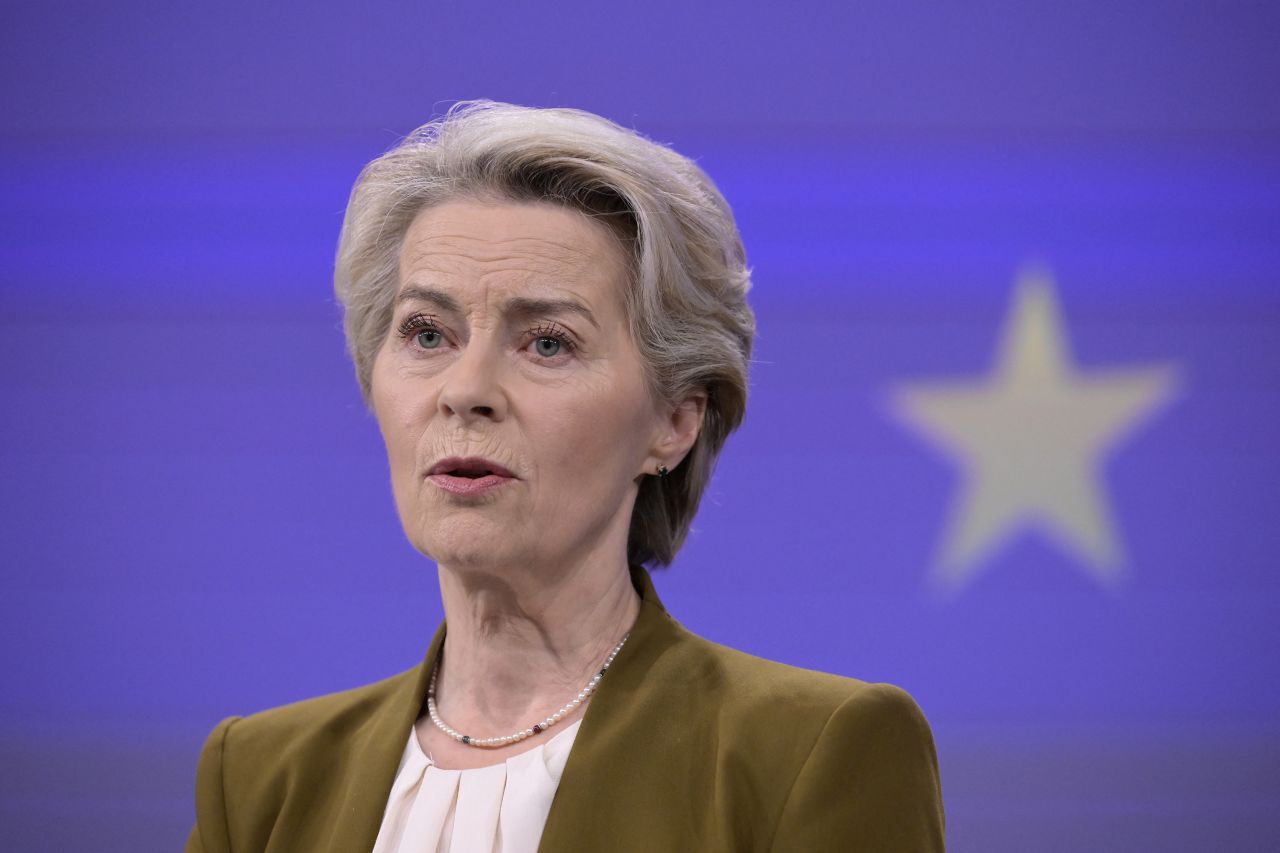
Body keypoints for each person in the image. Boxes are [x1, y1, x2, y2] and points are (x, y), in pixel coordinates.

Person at [185, 100, 945, 853]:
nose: (465, 388)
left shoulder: (807, 754)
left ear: (674, 421)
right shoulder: (259, 777)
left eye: (548, 344)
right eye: (427, 332)